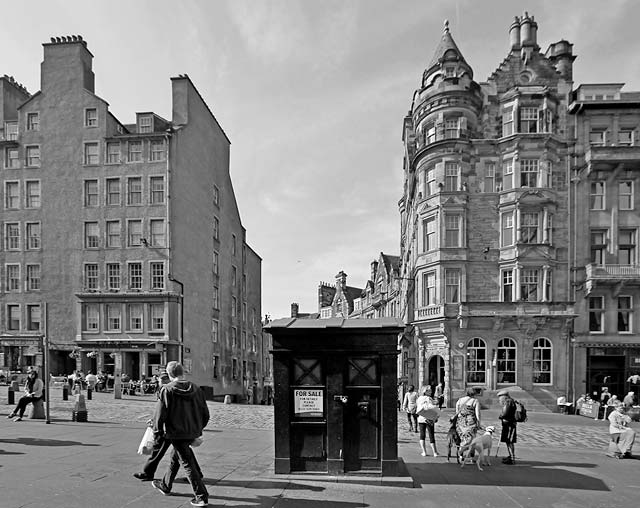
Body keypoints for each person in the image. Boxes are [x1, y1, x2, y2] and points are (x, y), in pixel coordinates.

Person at [150, 361, 209, 507]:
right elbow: (205, 413)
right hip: (191, 430)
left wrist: (157, 431)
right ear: (183, 373)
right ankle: (165, 484)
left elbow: (160, 414)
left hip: (176, 431)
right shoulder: (196, 388)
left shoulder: (167, 390)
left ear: (169, 375)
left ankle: (201, 496)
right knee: (175, 457)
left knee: (187, 463)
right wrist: (198, 429)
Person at [455, 387, 481, 454]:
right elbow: (477, 413)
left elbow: (457, 412)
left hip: (461, 422)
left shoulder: (460, 400)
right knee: (472, 439)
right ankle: (469, 454)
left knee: (463, 437)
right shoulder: (475, 401)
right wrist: (478, 423)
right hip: (471, 422)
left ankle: (462, 453)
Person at [416, 386, 439, 457]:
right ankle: (435, 452)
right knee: (431, 435)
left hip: (421, 418)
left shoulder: (419, 398)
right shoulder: (428, 398)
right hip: (429, 418)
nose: (431, 391)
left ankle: (424, 452)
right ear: (425, 391)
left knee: (422, 435)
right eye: (429, 390)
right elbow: (432, 408)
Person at [497, 389, 517, 464]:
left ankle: (512, 458)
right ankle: (510, 456)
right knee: (508, 441)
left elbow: (505, 413)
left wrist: (500, 416)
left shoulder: (508, 402)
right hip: (510, 424)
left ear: (503, 397)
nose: (499, 399)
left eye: (500, 397)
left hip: (509, 424)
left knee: (509, 441)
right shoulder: (510, 401)